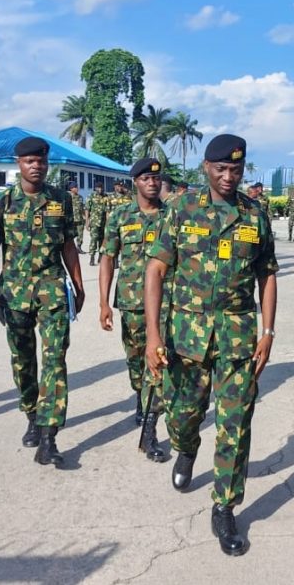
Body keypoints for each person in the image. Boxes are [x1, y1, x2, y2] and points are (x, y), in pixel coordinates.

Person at [144, 134, 278, 557]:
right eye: (220, 169)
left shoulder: (255, 215)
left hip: (237, 336)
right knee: (182, 415)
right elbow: (155, 270)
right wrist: (153, 335)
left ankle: (225, 506)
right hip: (186, 336)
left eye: (235, 169)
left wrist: (268, 332)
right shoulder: (181, 209)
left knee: (235, 423)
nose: (228, 176)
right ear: (206, 167)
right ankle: (186, 448)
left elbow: (267, 275)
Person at [0, 136, 85, 468]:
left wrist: (78, 286)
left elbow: (68, 246)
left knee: (55, 360)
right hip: (14, 294)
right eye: (30, 161)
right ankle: (32, 414)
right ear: (18, 163)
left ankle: (49, 436)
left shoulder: (61, 200)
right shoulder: (2, 202)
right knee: (23, 361)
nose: (37, 166)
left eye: (42, 161)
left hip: (52, 292)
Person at [98, 157, 168, 462]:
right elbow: (107, 258)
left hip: (166, 303)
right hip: (131, 302)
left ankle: (150, 428)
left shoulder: (172, 215)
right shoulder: (120, 216)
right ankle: (141, 397)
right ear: (135, 182)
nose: (152, 183)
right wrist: (103, 302)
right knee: (135, 360)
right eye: (145, 178)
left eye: (156, 178)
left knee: (158, 362)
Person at [86, 186, 106, 266]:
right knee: (94, 240)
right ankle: (92, 257)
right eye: (98, 188)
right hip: (94, 222)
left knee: (102, 240)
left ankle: (100, 257)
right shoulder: (91, 196)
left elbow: (108, 210)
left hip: (103, 222)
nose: (100, 189)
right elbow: (87, 209)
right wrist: (87, 221)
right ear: (95, 188)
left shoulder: (105, 196)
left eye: (101, 188)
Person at [69, 182, 86, 254]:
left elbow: (82, 208)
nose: (77, 189)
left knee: (80, 234)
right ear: (71, 188)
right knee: (69, 235)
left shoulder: (80, 197)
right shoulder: (68, 197)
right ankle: (69, 249)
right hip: (71, 219)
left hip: (79, 219)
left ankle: (79, 247)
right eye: (75, 187)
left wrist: (85, 217)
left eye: (77, 187)